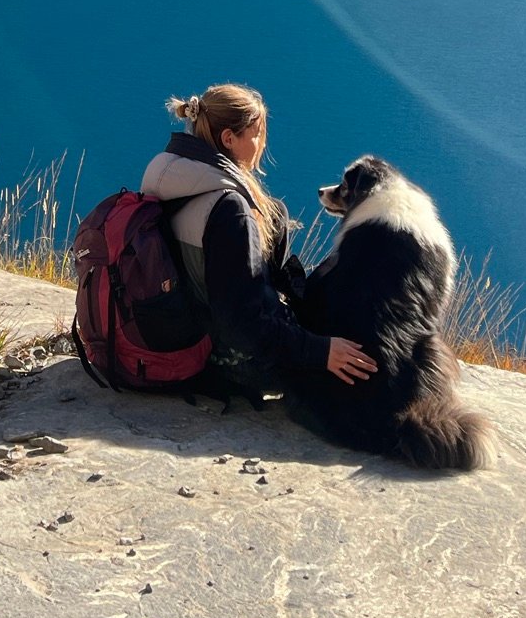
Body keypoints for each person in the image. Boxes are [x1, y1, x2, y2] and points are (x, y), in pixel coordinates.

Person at [143, 83, 377, 400]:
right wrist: (321, 352)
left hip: (180, 331)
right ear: (228, 138)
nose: (262, 144)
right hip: (224, 357)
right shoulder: (230, 210)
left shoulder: (172, 177)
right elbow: (243, 327)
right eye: (256, 134)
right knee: (360, 374)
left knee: (276, 213)